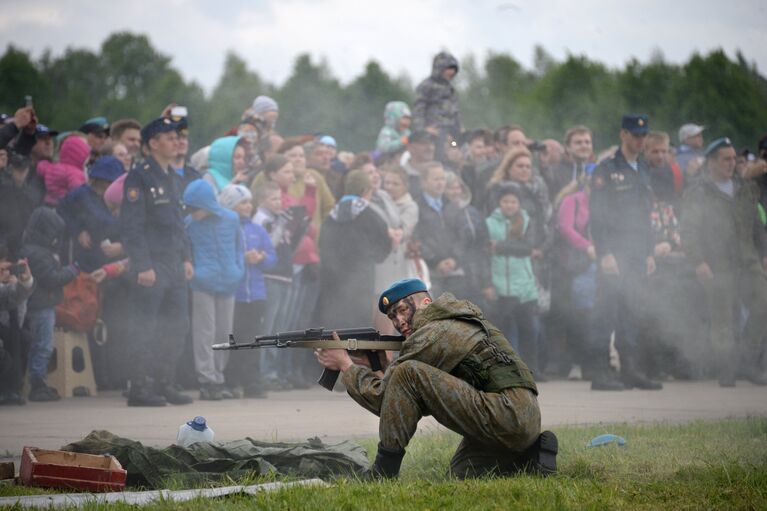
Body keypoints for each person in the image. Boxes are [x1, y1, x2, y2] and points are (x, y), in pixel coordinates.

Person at [314, 278, 557, 479]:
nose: (398, 321)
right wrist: (382, 367)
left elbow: (385, 398)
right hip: (518, 417)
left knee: (407, 371)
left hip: (505, 413)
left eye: (402, 310)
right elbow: (415, 397)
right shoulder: (455, 319)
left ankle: (383, 472)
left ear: (426, 303)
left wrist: (345, 364)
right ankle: (530, 456)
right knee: (461, 474)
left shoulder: (433, 332)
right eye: (392, 317)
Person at [680, 137, 767, 387]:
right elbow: (688, 231)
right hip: (718, 264)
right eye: (725, 159)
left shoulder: (746, 188)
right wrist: (698, 261)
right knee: (723, 321)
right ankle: (728, 369)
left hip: (747, 260)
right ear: (711, 162)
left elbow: (757, 226)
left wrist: (764, 253)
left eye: (733, 159)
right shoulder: (699, 192)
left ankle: (747, 360)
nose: (731, 164)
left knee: (763, 304)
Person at [120, 117, 194, 407]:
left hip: (174, 263)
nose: (176, 140)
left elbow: (179, 224)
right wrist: (142, 265)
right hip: (152, 264)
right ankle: (140, 387)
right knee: (146, 326)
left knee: (176, 326)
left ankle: (165, 382)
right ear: (152, 143)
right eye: (169, 136)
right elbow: (132, 226)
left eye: (177, 136)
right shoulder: (139, 177)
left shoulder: (173, 178)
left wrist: (187, 257)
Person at [589, 114, 662, 391]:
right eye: (635, 135)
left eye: (643, 135)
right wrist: (604, 253)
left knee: (631, 311)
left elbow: (645, 215)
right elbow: (597, 216)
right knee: (606, 312)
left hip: (636, 251)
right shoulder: (606, 170)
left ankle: (630, 370)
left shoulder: (643, 168)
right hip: (614, 251)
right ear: (623, 135)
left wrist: (649, 253)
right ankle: (600, 372)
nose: (640, 140)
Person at [183, 179, 245, 400]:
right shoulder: (189, 223)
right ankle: (206, 380)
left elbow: (240, 246)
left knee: (223, 332)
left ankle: (218, 377)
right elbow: (185, 250)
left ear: (207, 204)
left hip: (228, 280)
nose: (191, 212)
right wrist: (195, 273)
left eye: (194, 207)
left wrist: (239, 270)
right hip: (202, 283)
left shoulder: (231, 218)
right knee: (204, 332)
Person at [219, 184, 277, 398]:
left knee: (253, 340)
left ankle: (252, 382)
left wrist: (261, 258)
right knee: (234, 338)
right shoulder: (225, 227)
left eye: (249, 202)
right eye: (243, 202)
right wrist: (241, 258)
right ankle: (231, 380)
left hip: (257, 294)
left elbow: (272, 258)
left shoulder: (257, 229)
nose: (248, 206)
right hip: (234, 294)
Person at [317, 169, 391, 329]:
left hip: (332, 279)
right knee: (358, 326)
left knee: (333, 324)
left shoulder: (331, 216)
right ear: (365, 191)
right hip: (360, 279)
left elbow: (322, 243)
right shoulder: (371, 215)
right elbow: (384, 245)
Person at [20, 207, 79, 402]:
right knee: (43, 345)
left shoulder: (32, 249)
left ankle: (39, 382)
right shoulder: (38, 254)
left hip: (40, 304)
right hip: (40, 306)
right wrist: (72, 271)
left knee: (40, 344)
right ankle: (37, 384)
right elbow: (51, 278)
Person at [486, 186, 541, 376]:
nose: (510, 205)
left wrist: (500, 246)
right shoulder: (489, 223)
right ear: (499, 203)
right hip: (501, 285)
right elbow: (485, 251)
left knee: (529, 329)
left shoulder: (526, 221)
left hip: (524, 285)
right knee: (503, 331)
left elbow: (527, 247)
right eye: (506, 201)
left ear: (519, 204)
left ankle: (531, 368)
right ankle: (505, 369)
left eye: (513, 202)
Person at [57, 156, 125, 272]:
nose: (110, 185)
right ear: (96, 179)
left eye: (114, 182)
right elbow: (62, 211)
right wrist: (78, 231)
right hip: (82, 260)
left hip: (112, 263)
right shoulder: (81, 195)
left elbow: (136, 230)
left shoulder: (125, 201)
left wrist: (123, 247)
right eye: (107, 181)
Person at [0, 247, 34, 405]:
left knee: (22, 339)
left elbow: (17, 321)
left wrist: (22, 283)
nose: (6, 272)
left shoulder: (8, 288)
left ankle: (11, 390)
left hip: (10, 333)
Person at [412, 51, 462, 157]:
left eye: (453, 69)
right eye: (449, 69)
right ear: (439, 68)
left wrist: (459, 127)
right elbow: (418, 109)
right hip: (435, 132)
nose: (451, 72)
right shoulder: (427, 86)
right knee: (439, 154)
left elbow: (455, 110)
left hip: (451, 132)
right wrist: (422, 130)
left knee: (455, 148)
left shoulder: (450, 88)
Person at [36, 134, 90, 206]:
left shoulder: (52, 167)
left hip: (48, 201)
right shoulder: (75, 173)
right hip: (64, 205)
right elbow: (79, 191)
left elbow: (42, 167)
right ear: (81, 156)